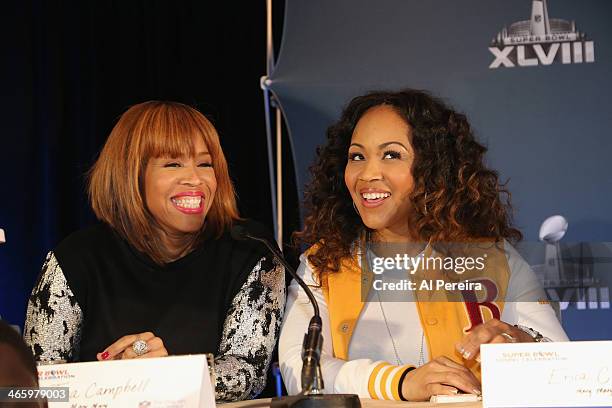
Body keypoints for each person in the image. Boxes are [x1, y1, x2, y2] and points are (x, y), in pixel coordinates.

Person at [279, 89, 568, 401]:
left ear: (434, 169)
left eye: (391, 155)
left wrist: (520, 344)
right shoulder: (323, 263)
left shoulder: (493, 260)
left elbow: (565, 366)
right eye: (357, 156)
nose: (367, 173)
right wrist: (400, 382)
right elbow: (301, 373)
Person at [23, 101, 285, 402]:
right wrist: (114, 382)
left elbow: (247, 372)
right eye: (173, 164)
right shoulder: (75, 258)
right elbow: (33, 384)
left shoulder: (251, 248)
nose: (195, 179)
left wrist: (162, 375)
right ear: (131, 174)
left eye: (204, 163)